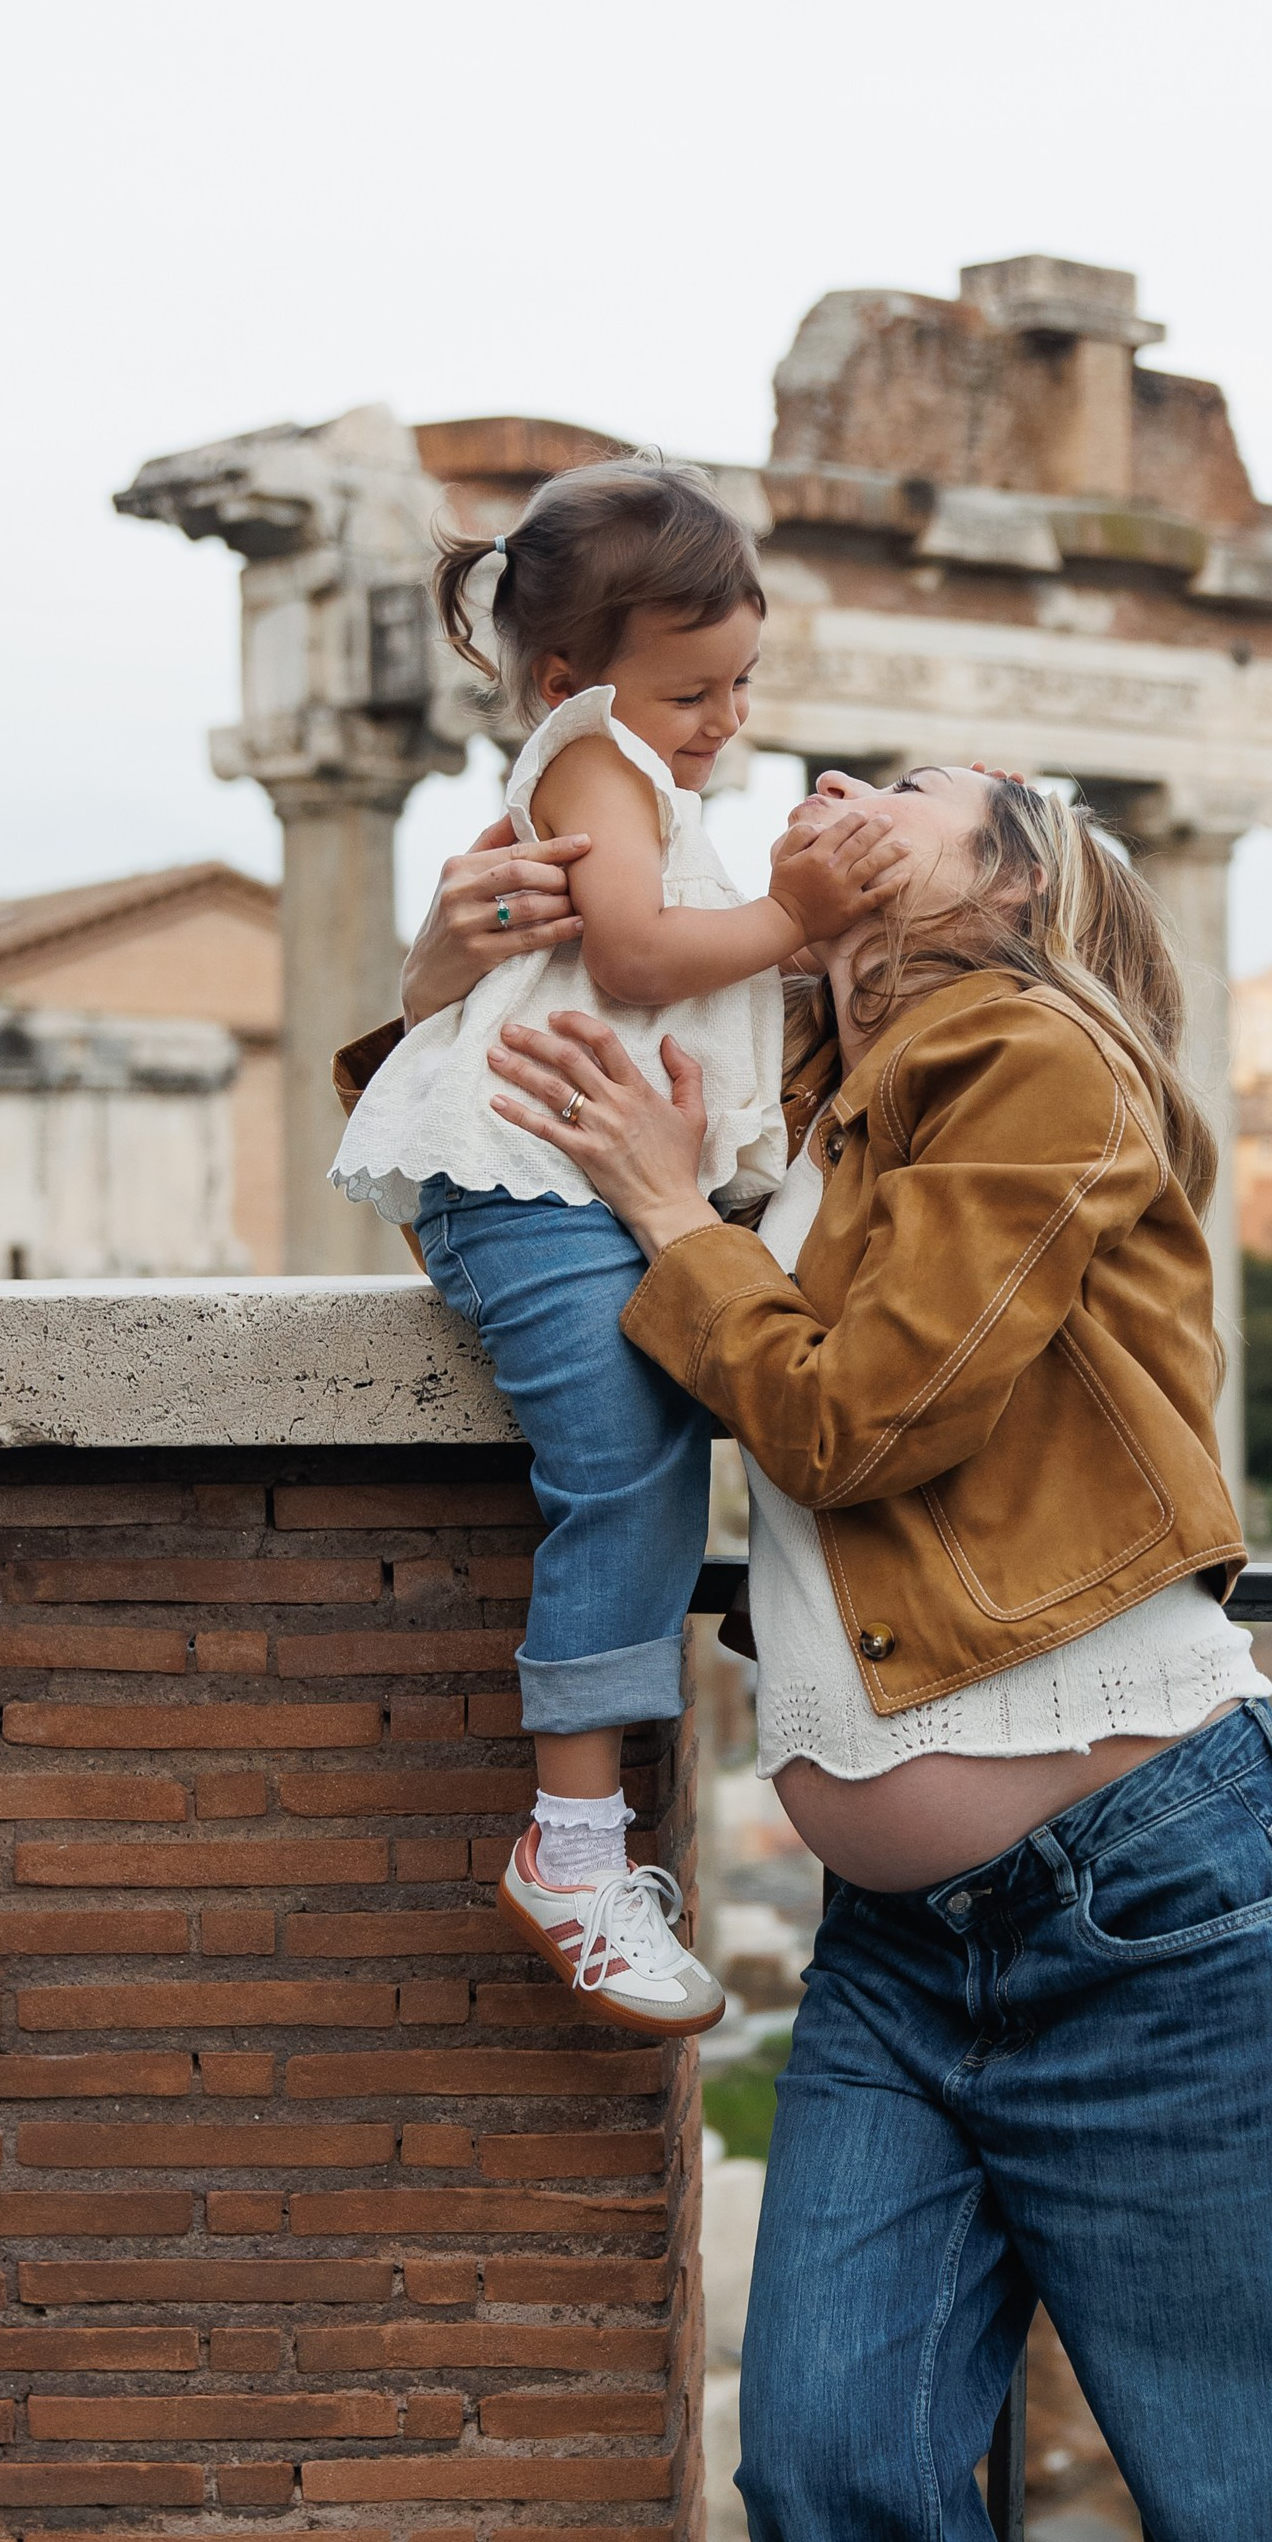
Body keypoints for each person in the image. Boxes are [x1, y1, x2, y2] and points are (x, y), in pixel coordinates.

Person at [467, 762, 1272, 2542]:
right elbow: (481, 1128)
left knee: (1250, 2539)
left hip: (1159, 1916)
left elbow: (867, 1410)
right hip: (912, 1956)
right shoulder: (819, 1095)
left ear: (1018, 886)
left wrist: (673, 1222)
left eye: (920, 787)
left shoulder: (1044, 1061)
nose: (841, 780)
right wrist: (487, 939)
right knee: (837, 2453)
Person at [329, 453, 900, 2038]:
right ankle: (572, 1848)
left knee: (689, 1430)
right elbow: (642, 960)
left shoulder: (645, 780)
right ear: (577, 681)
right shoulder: (592, 761)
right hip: (526, 1181)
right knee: (626, 1467)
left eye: (744, 680)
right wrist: (793, 910)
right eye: (696, 688)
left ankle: (606, 1825)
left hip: (566, 1182)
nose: (728, 718)